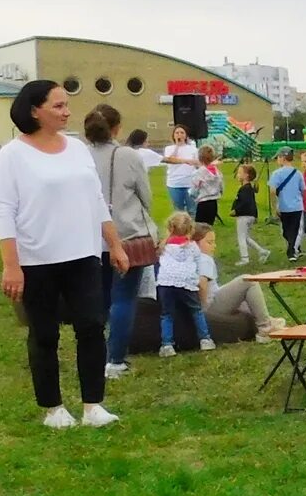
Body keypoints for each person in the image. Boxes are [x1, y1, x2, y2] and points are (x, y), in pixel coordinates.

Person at [0, 81, 129, 428]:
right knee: (44, 334)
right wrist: (11, 266)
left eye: (67, 105)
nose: (67, 112)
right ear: (34, 110)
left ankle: (93, 405)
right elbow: (3, 211)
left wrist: (114, 244)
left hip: (83, 255)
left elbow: (96, 200)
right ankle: (53, 409)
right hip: (36, 260)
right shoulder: (12, 155)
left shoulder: (78, 149)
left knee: (92, 327)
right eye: (58, 106)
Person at [85, 104, 155, 380]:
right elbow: (146, 196)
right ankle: (115, 360)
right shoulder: (128, 155)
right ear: (117, 128)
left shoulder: (79, 155)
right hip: (127, 233)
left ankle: (95, 355)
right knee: (124, 299)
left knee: (100, 300)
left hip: (92, 238)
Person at [193, 224, 285, 343]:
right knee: (248, 281)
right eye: (209, 242)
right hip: (210, 307)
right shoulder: (204, 258)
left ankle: (269, 321)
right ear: (195, 243)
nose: (214, 246)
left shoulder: (189, 258)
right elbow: (202, 283)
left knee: (242, 295)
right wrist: (204, 307)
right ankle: (265, 328)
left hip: (208, 302)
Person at [156, 212, 215, 357]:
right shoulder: (192, 247)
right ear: (190, 230)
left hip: (165, 282)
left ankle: (167, 345)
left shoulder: (164, 246)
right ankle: (205, 339)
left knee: (167, 314)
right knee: (196, 310)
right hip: (187, 282)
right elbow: (196, 261)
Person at [267, 148, 305, 262]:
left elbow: (272, 191)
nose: (277, 160)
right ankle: (293, 246)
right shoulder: (298, 173)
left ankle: (291, 251)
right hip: (297, 206)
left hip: (283, 207)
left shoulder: (276, 174)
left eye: (278, 158)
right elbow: (303, 189)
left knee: (287, 230)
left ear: (282, 158)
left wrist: (274, 207)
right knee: (292, 229)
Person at [231, 164, 271, 265]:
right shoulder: (249, 189)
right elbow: (252, 203)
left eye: (240, 173)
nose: (238, 175)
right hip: (250, 216)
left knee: (241, 237)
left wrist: (236, 210)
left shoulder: (245, 189)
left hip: (243, 216)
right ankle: (262, 251)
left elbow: (244, 202)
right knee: (246, 237)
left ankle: (245, 258)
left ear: (246, 176)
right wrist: (255, 216)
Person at [162, 125, 200, 214]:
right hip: (174, 183)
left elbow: (198, 163)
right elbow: (170, 160)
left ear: (186, 135)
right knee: (179, 210)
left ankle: (191, 227)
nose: (179, 135)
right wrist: (177, 147)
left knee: (192, 209)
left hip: (190, 183)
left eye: (182, 133)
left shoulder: (193, 149)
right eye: (177, 133)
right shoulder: (169, 149)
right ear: (174, 135)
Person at [189, 145, 223, 224]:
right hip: (214, 202)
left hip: (203, 202)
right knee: (209, 226)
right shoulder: (217, 172)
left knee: (200, 227)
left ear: (199, 157)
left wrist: (191, 194)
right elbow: (221, 186)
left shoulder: (198, 173)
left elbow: (195, 189)